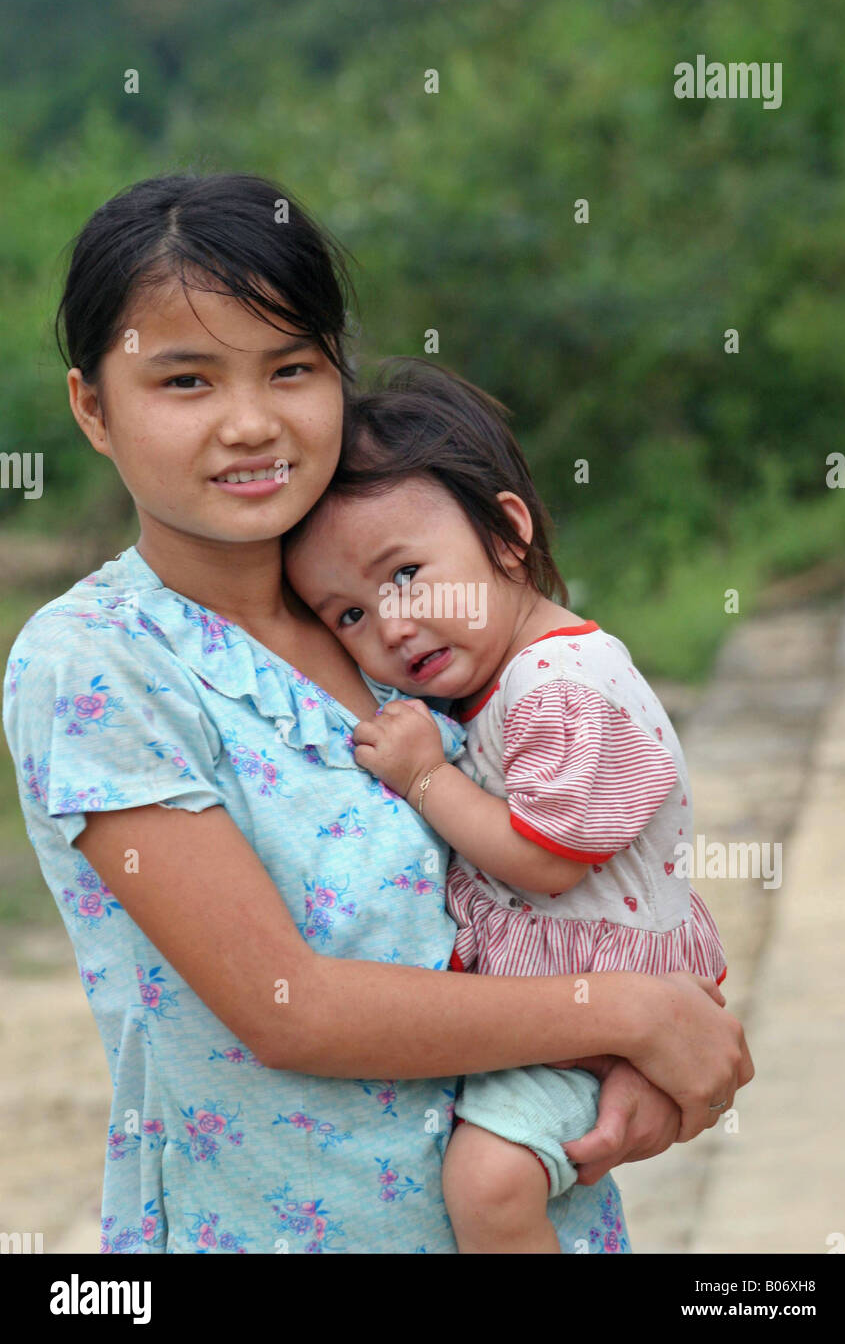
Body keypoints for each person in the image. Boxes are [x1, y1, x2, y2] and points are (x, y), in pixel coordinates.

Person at [1, 172, 752, 1254]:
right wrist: (632, 1012)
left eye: (291, 368)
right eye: (185, 380)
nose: (250, 424)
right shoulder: (99, 664)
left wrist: (629, 1073)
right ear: (92, 408)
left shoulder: (399, 631)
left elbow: (567, 878)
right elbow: (284, 1003)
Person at [283, 359, 731, 1253]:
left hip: (603, 1004)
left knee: (487, 1183)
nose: (391, 626)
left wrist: (424, 780)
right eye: (347, 617)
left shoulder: (561, 686)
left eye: (407, 575)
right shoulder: (496, 682)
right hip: (570, 1005)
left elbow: (546, 858)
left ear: (506, 532)